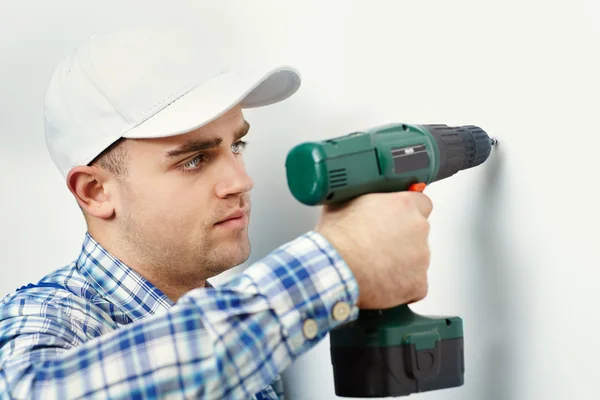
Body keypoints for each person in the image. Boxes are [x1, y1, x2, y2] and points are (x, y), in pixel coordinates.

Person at [0, 25, 433, 399]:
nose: (241, 181)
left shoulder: (231, 328)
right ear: (95, 192)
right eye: (194, 160)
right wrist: (336, 263)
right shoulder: (49, 319)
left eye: (237, 145)